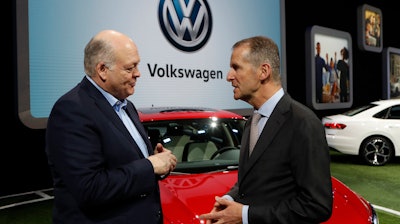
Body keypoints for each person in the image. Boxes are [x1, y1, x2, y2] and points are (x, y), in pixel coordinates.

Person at [45, 30, 177, 224]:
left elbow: (126, 165)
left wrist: (158, 163)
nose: (138, 73)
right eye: (130, 68)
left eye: (137, 65)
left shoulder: (127, 106)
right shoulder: (72, 109)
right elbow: (89, 188)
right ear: (102, 70)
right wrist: (149, 166)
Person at [199, 36, 333, 223]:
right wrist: (229, 199)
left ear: (263, 71)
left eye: (236, 67)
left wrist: (245, 215)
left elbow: (317, 206)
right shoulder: (252, 121)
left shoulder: (303, 123)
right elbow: (252, 180)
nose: (229, 76)